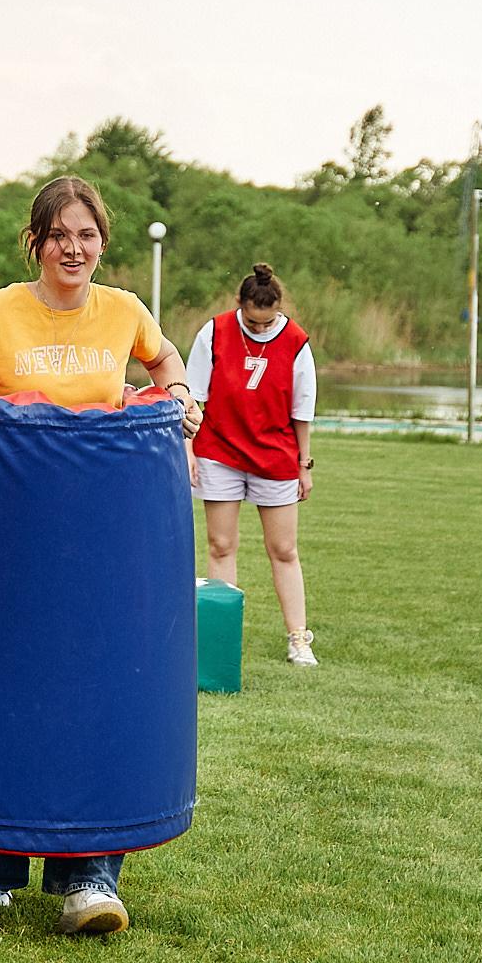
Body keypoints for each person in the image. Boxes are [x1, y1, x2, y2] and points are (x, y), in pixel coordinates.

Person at [0, 174, 203, 936]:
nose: (74, 247)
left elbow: (165, 367)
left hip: (101, 538)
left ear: (103, 241)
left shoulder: (124, 311)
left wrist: (183, 395)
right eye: (59, 234)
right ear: (35, 241)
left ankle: (88, 876)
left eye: (87, 234)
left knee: (97, 685)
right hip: (3, 537)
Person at [187, 262, 319, 666]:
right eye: (252, 321)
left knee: (283, 548)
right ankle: (219, 639)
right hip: (220, 451)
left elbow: (302, 411)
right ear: (238, 305)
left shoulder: (296, 341)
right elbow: (192, 396)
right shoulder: (213, 332)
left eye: (268, 322)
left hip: (275, 455)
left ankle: (298, 639)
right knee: (221, 545)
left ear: (280, 308)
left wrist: (303, 464)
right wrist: (189, 451)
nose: (260, 329)